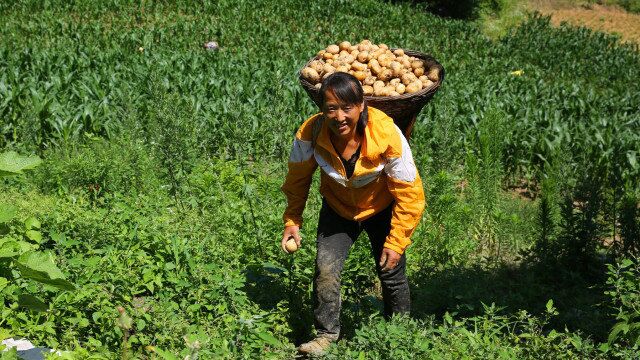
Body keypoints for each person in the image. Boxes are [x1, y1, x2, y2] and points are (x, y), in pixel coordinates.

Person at [280, 72, 425, 356]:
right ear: (322, 110)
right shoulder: (309, 133)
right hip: (338, 209)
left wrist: (396, 241)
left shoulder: (385, 132)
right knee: (325, 269)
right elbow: (297, 181)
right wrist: (292, 220)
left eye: (347, 107)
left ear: (362, 106)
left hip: (381, 208)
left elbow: (409, 193)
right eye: (331, 108)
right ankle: (326, 335)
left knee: (391, 271)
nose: (339, 116)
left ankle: (398, 333)